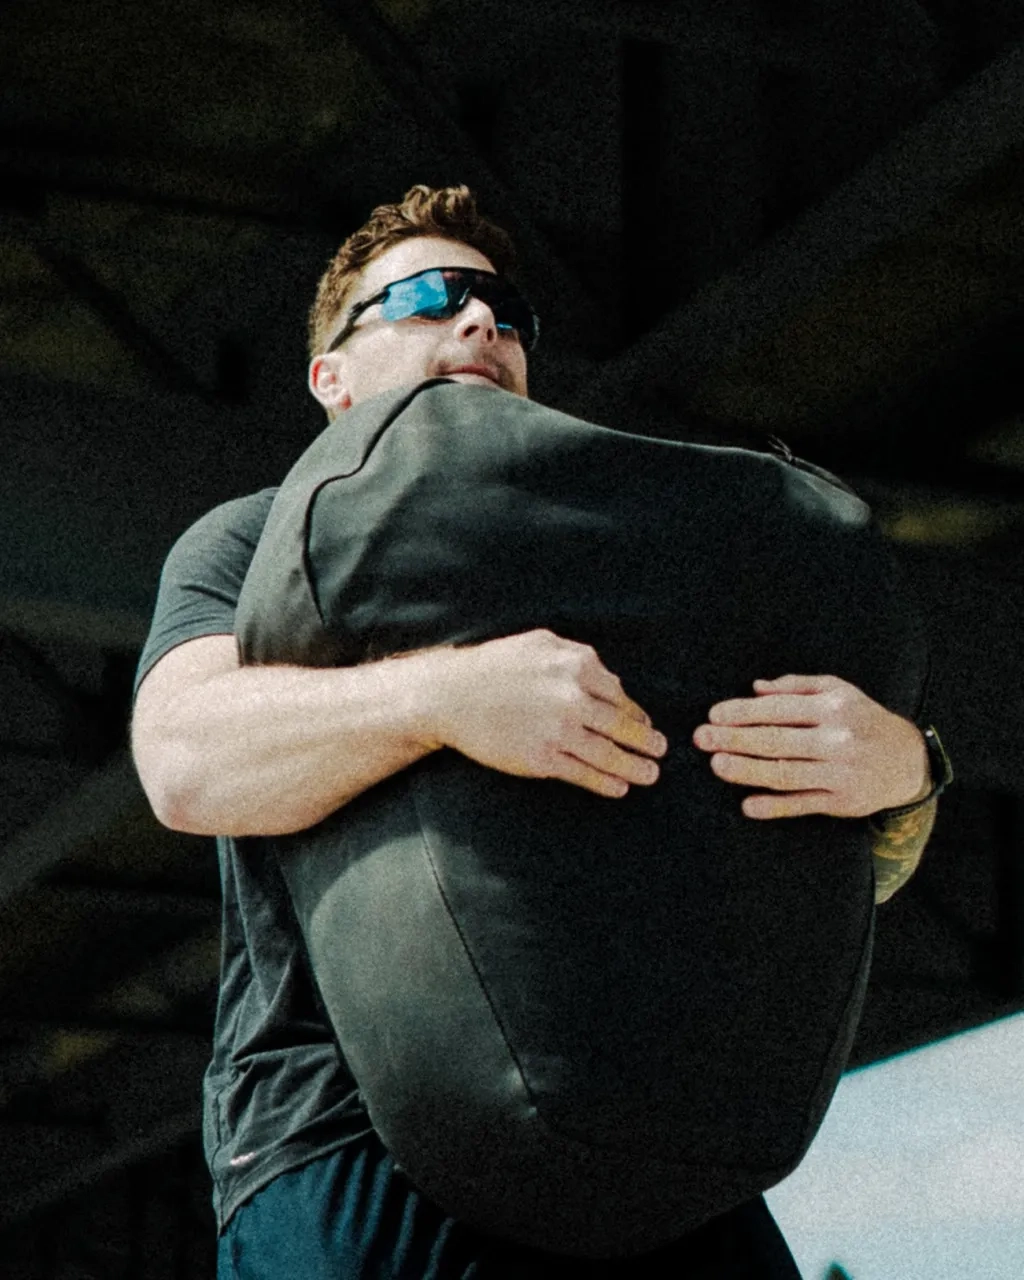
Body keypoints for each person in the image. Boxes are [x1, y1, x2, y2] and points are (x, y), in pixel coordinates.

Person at [131, 185, 943, 1279]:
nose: (480, 326)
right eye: (425, 299)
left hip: (657, 1152)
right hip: (351, 1139)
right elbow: (185, 760)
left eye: (505, 314)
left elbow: (825, 864)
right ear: (332, 376)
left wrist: (901, 772)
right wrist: (443, 699)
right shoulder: (247, 538)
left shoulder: (626, 558)